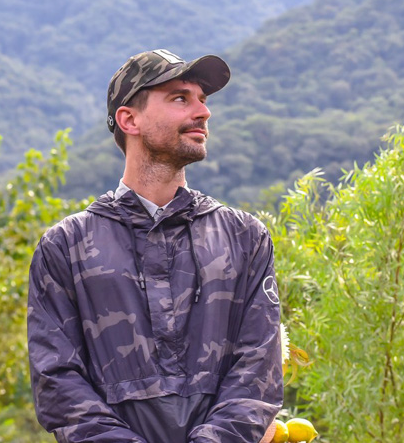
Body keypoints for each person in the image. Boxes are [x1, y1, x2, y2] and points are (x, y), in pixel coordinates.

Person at [28, 49, 283, 442]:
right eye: (181, 98)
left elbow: (257, 373)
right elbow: (57, 382)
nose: (203, 112)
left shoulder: (245, 237)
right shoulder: (66, 247)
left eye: (202, 99)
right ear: (129, 119)